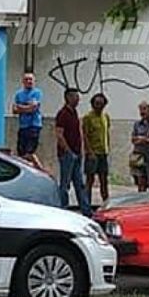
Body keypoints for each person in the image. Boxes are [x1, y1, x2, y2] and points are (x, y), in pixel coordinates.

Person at [55, 87, 92, 217]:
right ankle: (63, 209)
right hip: (67, 154)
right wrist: (68, 151)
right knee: (65, 184)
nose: (78, 100)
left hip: (77, 152)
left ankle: (86, 210)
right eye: (75, 97)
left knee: (79, 183)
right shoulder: (62, 114)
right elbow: (59, 135)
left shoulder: (74, 113)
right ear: (68, 98)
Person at [82, 93, 111, 206]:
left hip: (103, 152)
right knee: (90, 180)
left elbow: (106, 132)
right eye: (97, 104)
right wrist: (89, 151)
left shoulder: (105, 116)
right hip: (93, 153)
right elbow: (85, 135)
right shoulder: (88, 117)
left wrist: (107, 146)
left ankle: (106, 203)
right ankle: (86, 204)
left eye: (101, 104)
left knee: (104, 180)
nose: (99, 106)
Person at [13, 72, 43, 169]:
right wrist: (27, 107)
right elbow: (14, 110)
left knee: (29, 152)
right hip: (23, 126)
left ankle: (42, 170)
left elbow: (33, 108)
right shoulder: (18, 94)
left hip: (34, 126)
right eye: (26, 79)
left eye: (31, 79)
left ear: (34, 81)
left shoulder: (37, 93)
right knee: (21, 153)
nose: (29, 81)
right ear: (23, 81)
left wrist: (21, 108)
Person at [130, 101, 149, 192]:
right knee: (140, 180)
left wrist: (145, 140)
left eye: (144, 109)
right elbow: (133, 139)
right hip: (139, 156)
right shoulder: (137, 124)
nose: (142, 112)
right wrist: (137, 139)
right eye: (140, 109)